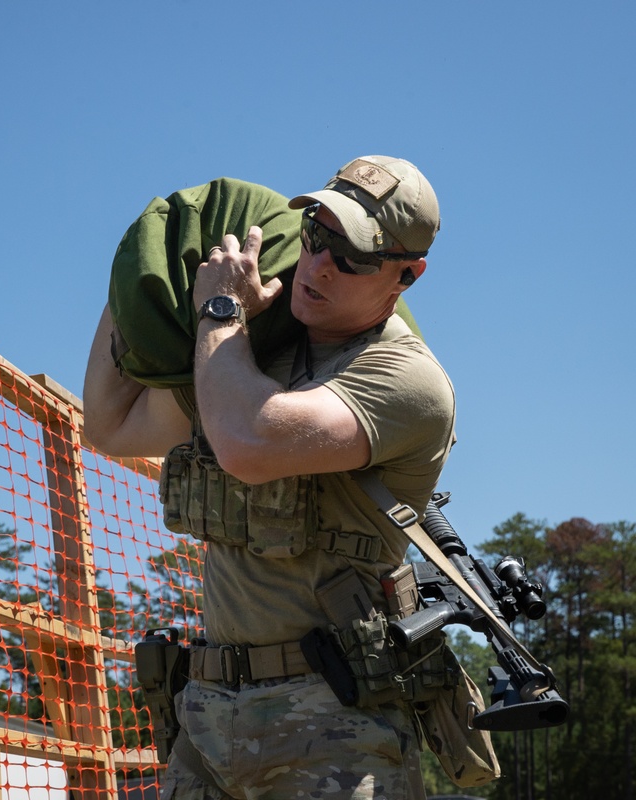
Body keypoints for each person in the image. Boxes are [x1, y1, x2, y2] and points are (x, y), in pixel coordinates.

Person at [83, 156, 456, 799]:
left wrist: (220, 310)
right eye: (315, 234)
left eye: (353, 255)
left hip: (334, 723)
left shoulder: (407, 380)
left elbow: (247, 442)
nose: (318, 266)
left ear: (407, 274)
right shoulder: (245, 357)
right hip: (205, 719)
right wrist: (149, 267)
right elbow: (111, 425)